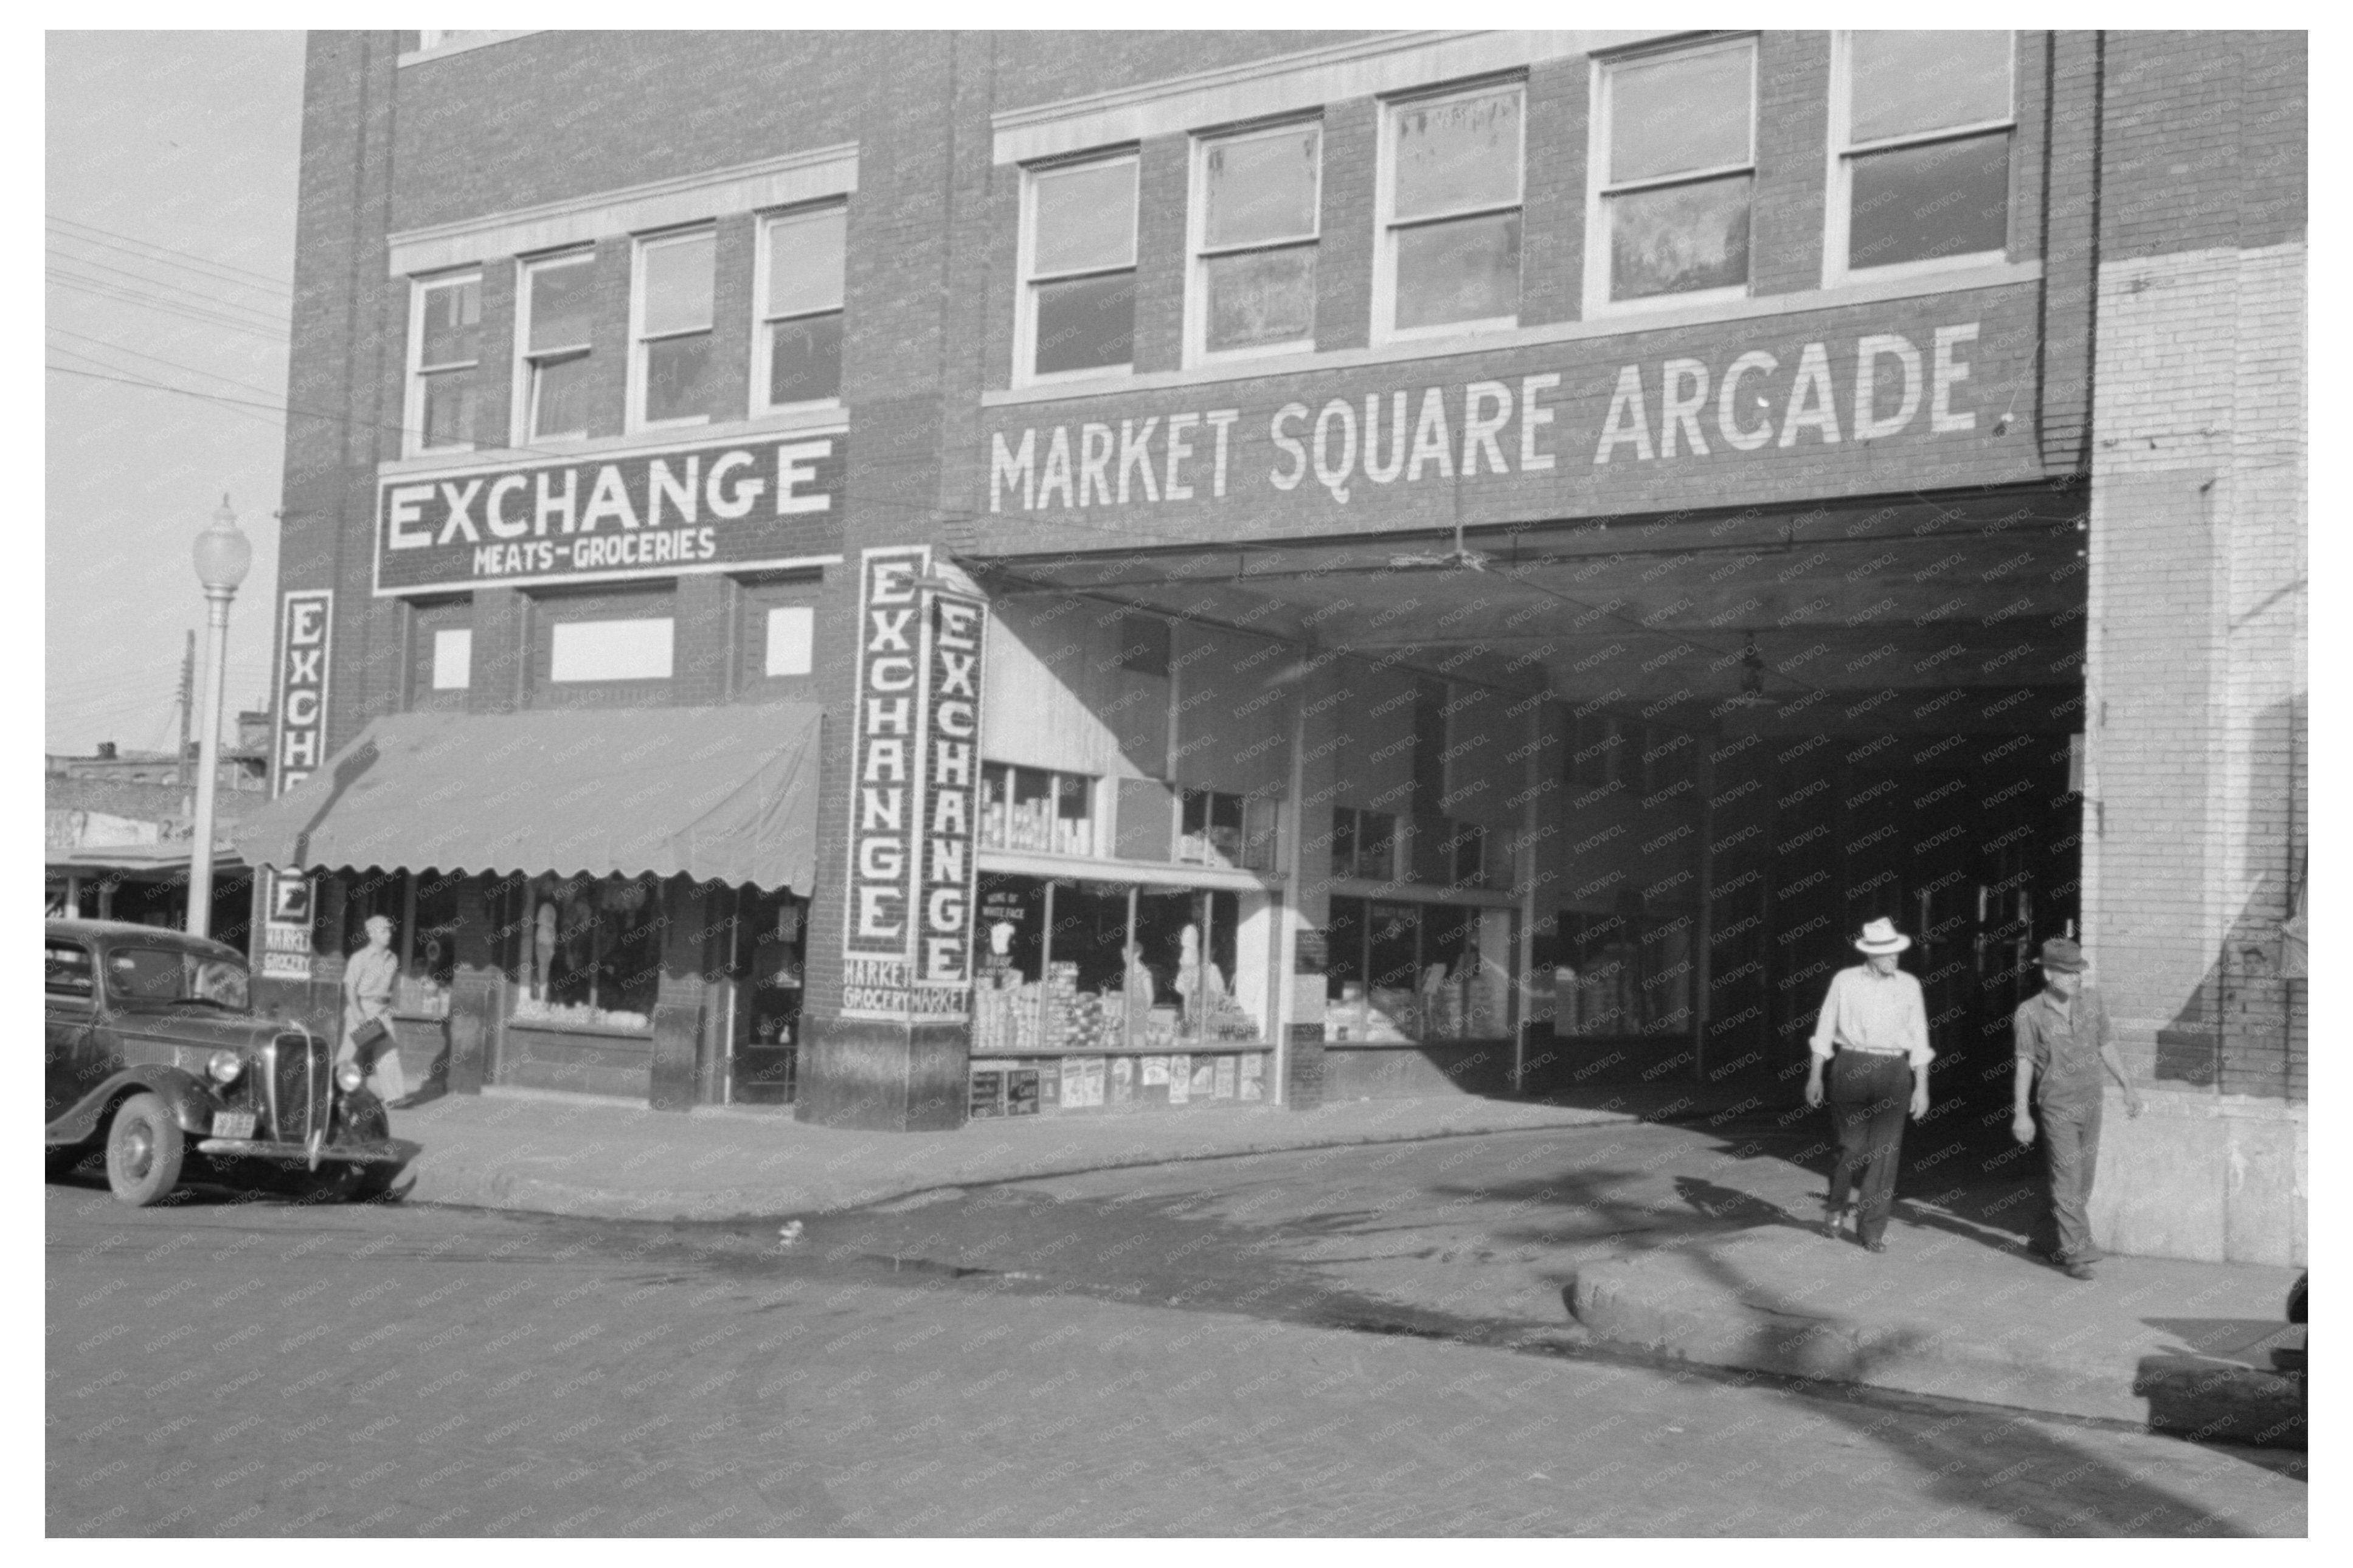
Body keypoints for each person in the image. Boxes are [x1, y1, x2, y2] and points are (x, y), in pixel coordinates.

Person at [2011, 935, 2144, 1279]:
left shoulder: (2093, 1001)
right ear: (2048, 974)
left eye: (2078, 972)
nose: (2075, 978)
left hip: (2091, 1100)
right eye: (2067, 973)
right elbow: (2025, 1061)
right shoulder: (2030, 1012)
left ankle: (2044, 1235)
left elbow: (2106, 1044)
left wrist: (2127, 1085)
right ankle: (2077, 1255)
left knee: (2083, 1181)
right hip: (2057, 1104)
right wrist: (2021, 1112)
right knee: (2068, 1177)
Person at [1804, 917, 1933, 1252]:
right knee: (1850, 1147)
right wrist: (1816, 1074)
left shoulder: (1909, 985)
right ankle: (1836, 1206)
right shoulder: (1845, 981)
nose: (1894, 959)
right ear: (1871, 954)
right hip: (1851, 1065)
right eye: (1887, 954)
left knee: (1885, 1153)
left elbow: (1919, 1036)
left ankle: (1871, 1230)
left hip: (1893, 1068)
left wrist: (1922, 1087)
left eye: (1897, 953)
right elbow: (1825, 1025)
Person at [341, 914, 406, 1105]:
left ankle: (394, 1097)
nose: (389, 935)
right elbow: (350, 987)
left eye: (389, 931)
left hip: (382, 1010)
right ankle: (335, 1090)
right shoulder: (359, 958)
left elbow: (390, 987)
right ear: (371, 934)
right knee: (350, 1054)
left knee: (388, 1052)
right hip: (362, 1007)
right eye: (383, 931)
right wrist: (358, 1012)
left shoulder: (393, 959)